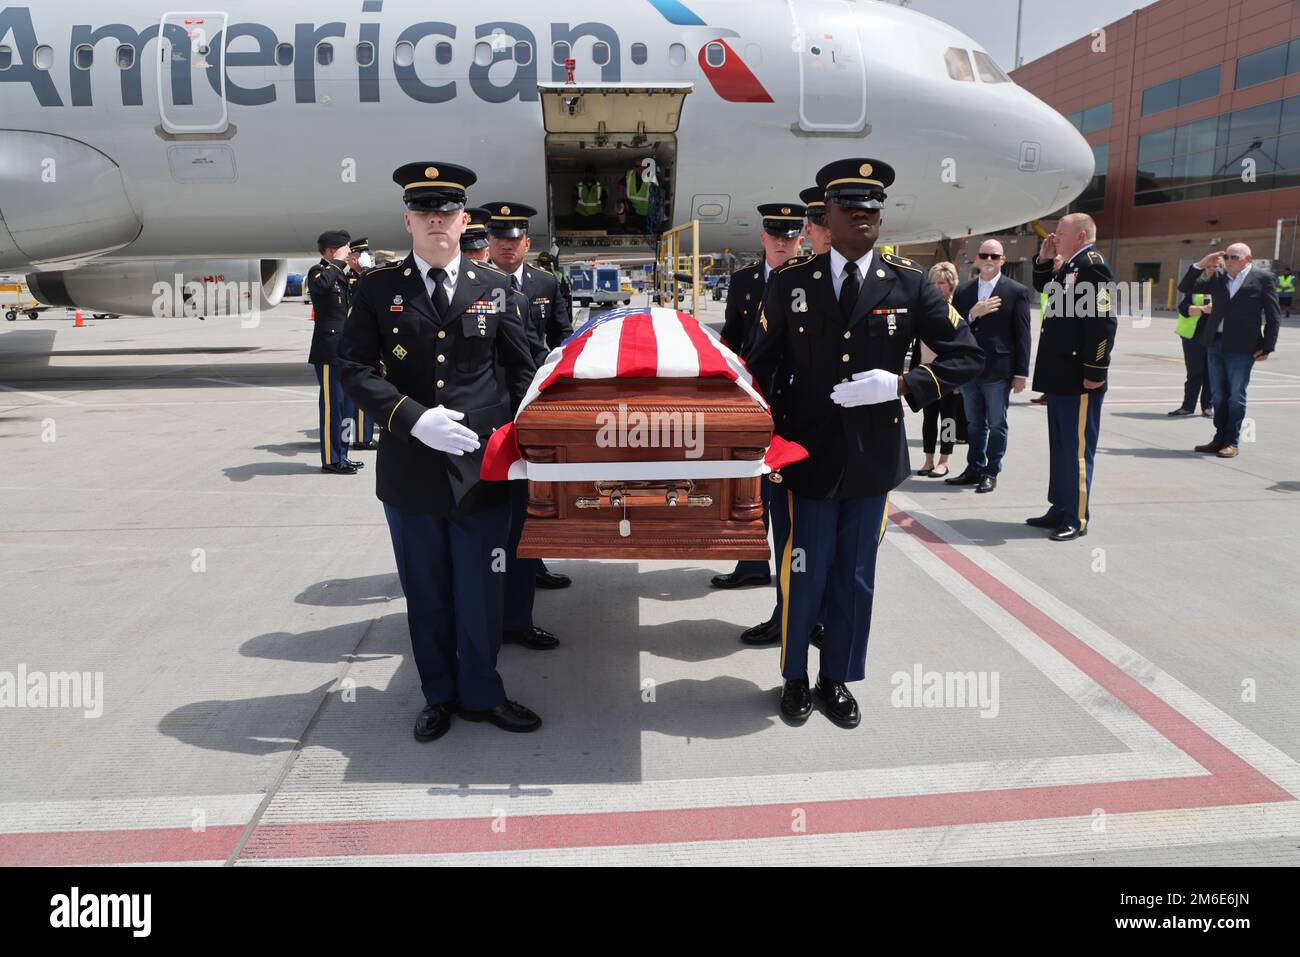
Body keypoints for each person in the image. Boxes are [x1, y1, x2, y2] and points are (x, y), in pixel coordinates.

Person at [747, 157, 983, 728]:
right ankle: (795, 677)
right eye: (852, 210)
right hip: (806, 457)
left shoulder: (910, 284)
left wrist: (904, 384)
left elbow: (968, 354)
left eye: (873, 210)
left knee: (855, 575)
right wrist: (768, 439)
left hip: (872, 459)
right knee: (803, 569)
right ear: (827, 217)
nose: (865, 219)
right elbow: (763, 366)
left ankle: (837, 678)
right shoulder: (792, 283)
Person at [337, 162, 541, 742]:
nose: (436, 220)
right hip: (412, 467)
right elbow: (352, 368)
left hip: (480, 469)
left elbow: (521, 371)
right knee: (426, 593)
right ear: (407, 220)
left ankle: (482, 692)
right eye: (424, 211)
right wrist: (414, 418)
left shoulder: (495, 288)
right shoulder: (378, 289)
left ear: (463, 220)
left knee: (481, 590)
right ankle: (439, 695)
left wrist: (515, 439)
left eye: (446, 211)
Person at [482, 201, 575, 603]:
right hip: (489, 397)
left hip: (536, 393)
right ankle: (497, 569)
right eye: (499, 238)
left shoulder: (546, 283)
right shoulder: (475, 282)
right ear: (488, 241)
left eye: (514, 239)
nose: (507, 245)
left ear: (526, 242)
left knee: (533, 489)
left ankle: (532, 564)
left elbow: (563, 335)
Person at [712, 201, 805, 593]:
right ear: (763, 238)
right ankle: (750, 562)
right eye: (775, 236)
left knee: (787, 484)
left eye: (790, 236)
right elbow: (733, 334)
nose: (782, 243)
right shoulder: (744, 281)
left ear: (800, 239)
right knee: (748, 480)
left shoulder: (811, 279)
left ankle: (789, 566)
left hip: (797, 393)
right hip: (754, 392)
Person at [1026, 213, 1117, 541]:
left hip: (1079, 377)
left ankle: (1076, 518)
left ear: (1080, 235)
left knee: (1076, 450)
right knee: (1061, 447)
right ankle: (1060, 508)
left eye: (1060, 232)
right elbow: (1044, 288)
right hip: (1060, 374)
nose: (1054, 236)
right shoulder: (1072, 264)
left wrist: (1096, 370)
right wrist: (1043, 259)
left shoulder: (1094, 266)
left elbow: (1103, 321)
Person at [944, 240, 1031, 494]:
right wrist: (973, 314)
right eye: (985, 255)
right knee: (973, 424)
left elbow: (1022, 334)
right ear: (977, 259)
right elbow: (955, 329)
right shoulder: (964, 292)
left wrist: (1021, 373)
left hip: (999, 371)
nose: (989, 259)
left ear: (1003, 260)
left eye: (995, 256)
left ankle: (991, 471)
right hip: (971, 370)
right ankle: (974, 468)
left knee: (996, 424)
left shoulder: (1015, 291)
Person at [1179, 244, 1281, 459]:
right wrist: (1202, 262)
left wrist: (1267, 346)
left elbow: (1273, 315)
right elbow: (1186, 286)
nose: (1229, 260)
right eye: (1226, 256)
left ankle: (1231, 441)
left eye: (1234, 257)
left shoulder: (1263, 278)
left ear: (1248, 259)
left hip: (1243, 347)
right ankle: (1219, 438)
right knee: (1218, 396)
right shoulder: (1219, 277)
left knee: (1236, 396)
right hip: (1215, 343)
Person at [306, 229, 362, 475]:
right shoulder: (319, 272)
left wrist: (358, 272)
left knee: (349, 407)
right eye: (345, 248)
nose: (349, 252)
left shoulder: (343, 274)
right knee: (333, 406)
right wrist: (337, 263)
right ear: (331, 251)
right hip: (329, 352)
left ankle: (344, 454)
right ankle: (331, 458)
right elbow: (321, 287)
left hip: (348, 350)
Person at [913, 262, 967, 478]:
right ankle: (928, 459)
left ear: (951, 284)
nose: (937, 287)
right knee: (928, 418)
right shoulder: (924, 306)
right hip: (926, 370)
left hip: (948, 373)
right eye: (933, 283)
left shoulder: (956, 308)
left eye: (941, 283)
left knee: (948, 419)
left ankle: (944, 460)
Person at [344, 238, 380, 452]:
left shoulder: (364, 276)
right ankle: (359, 436)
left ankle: (364, 436)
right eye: (361, 256)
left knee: (368, 391)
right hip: (353, 341)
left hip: (367, 340)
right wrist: (365, 271)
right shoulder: (351, 278)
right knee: (357, 390)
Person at [1168, 285, 1213, 419]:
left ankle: (1208, 407)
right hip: (1193, 336)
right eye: (1209, 267)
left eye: (1216, 267)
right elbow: (1183, 308)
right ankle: (1187, 407)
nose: (1212, 269)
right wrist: (1204, 309)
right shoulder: (1196, 287)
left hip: (1214, 337)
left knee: (1211, 375)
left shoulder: (1225, 287)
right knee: (1194, 373)